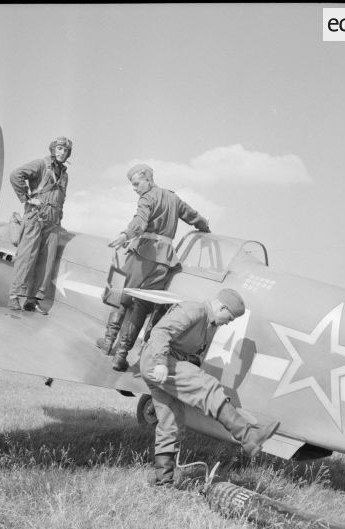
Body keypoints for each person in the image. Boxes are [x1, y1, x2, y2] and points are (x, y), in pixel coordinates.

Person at [139, 288, 280, 487]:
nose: (228, 322)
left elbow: (194, 356)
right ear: (221, 307)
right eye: (229, 317)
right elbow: (160, 331)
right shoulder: (194, 309)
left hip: (165, 364)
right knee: (208, 386)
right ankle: (248, 436)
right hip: (158, 361)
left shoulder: (210, 325)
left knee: (171, 423)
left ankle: (162, 481)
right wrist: (161, 361)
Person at [96, 163, 211, 371]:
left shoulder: (147, 197)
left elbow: (140, 221)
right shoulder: (173, 198)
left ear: (148, 179)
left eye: (136, 183)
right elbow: (194, 217)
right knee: (142, 305)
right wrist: (205, 227)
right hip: (164, 261)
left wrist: (125, 235)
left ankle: (107, 343)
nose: (135, 188)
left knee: (120, 295)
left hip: (143, 254)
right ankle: (121, 356)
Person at [7, 137, 72, 313]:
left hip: (53, 223)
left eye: (66, 150)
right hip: (36, 217)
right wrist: (27, 198)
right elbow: (15, 175)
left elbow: (61, 199)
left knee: (47, 261)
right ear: (53, 149)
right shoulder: (41, 165)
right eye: (59, 148)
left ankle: (32, 300)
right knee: (26, 258)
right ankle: (15, 296)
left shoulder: (64, 174)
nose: (62, 153)